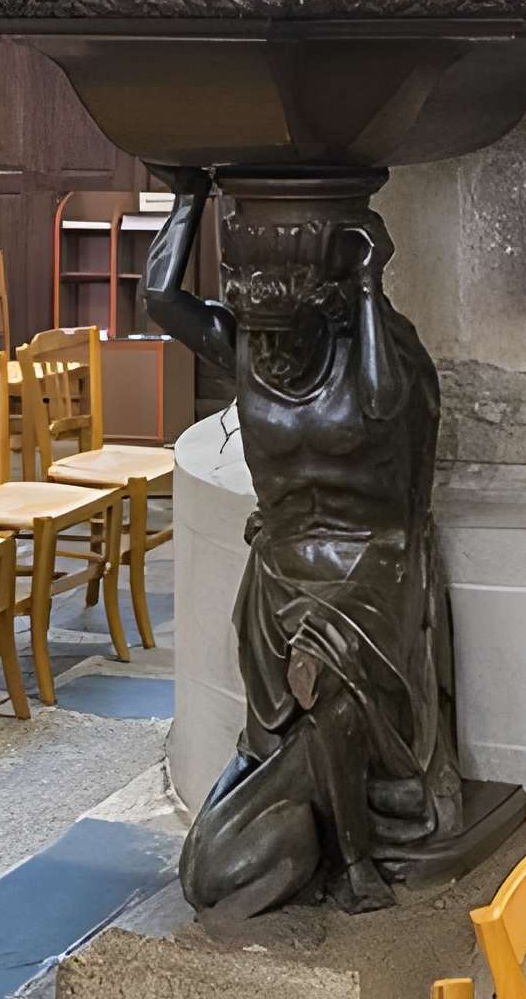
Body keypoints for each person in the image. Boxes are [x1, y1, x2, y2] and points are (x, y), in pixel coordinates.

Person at [146, 174, 462, 917]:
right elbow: (160, 300)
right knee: (283, 725)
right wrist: (189, 196)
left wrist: (367, 285)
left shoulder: (375, 361)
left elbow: (388, 406)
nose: (276, 357)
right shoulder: (251, 345)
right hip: (283, 565)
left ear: (324, 316)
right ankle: (300, 825)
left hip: (370, 560)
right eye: (265, 337)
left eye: (291, 338)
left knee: (332, 676)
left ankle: (356, 861)